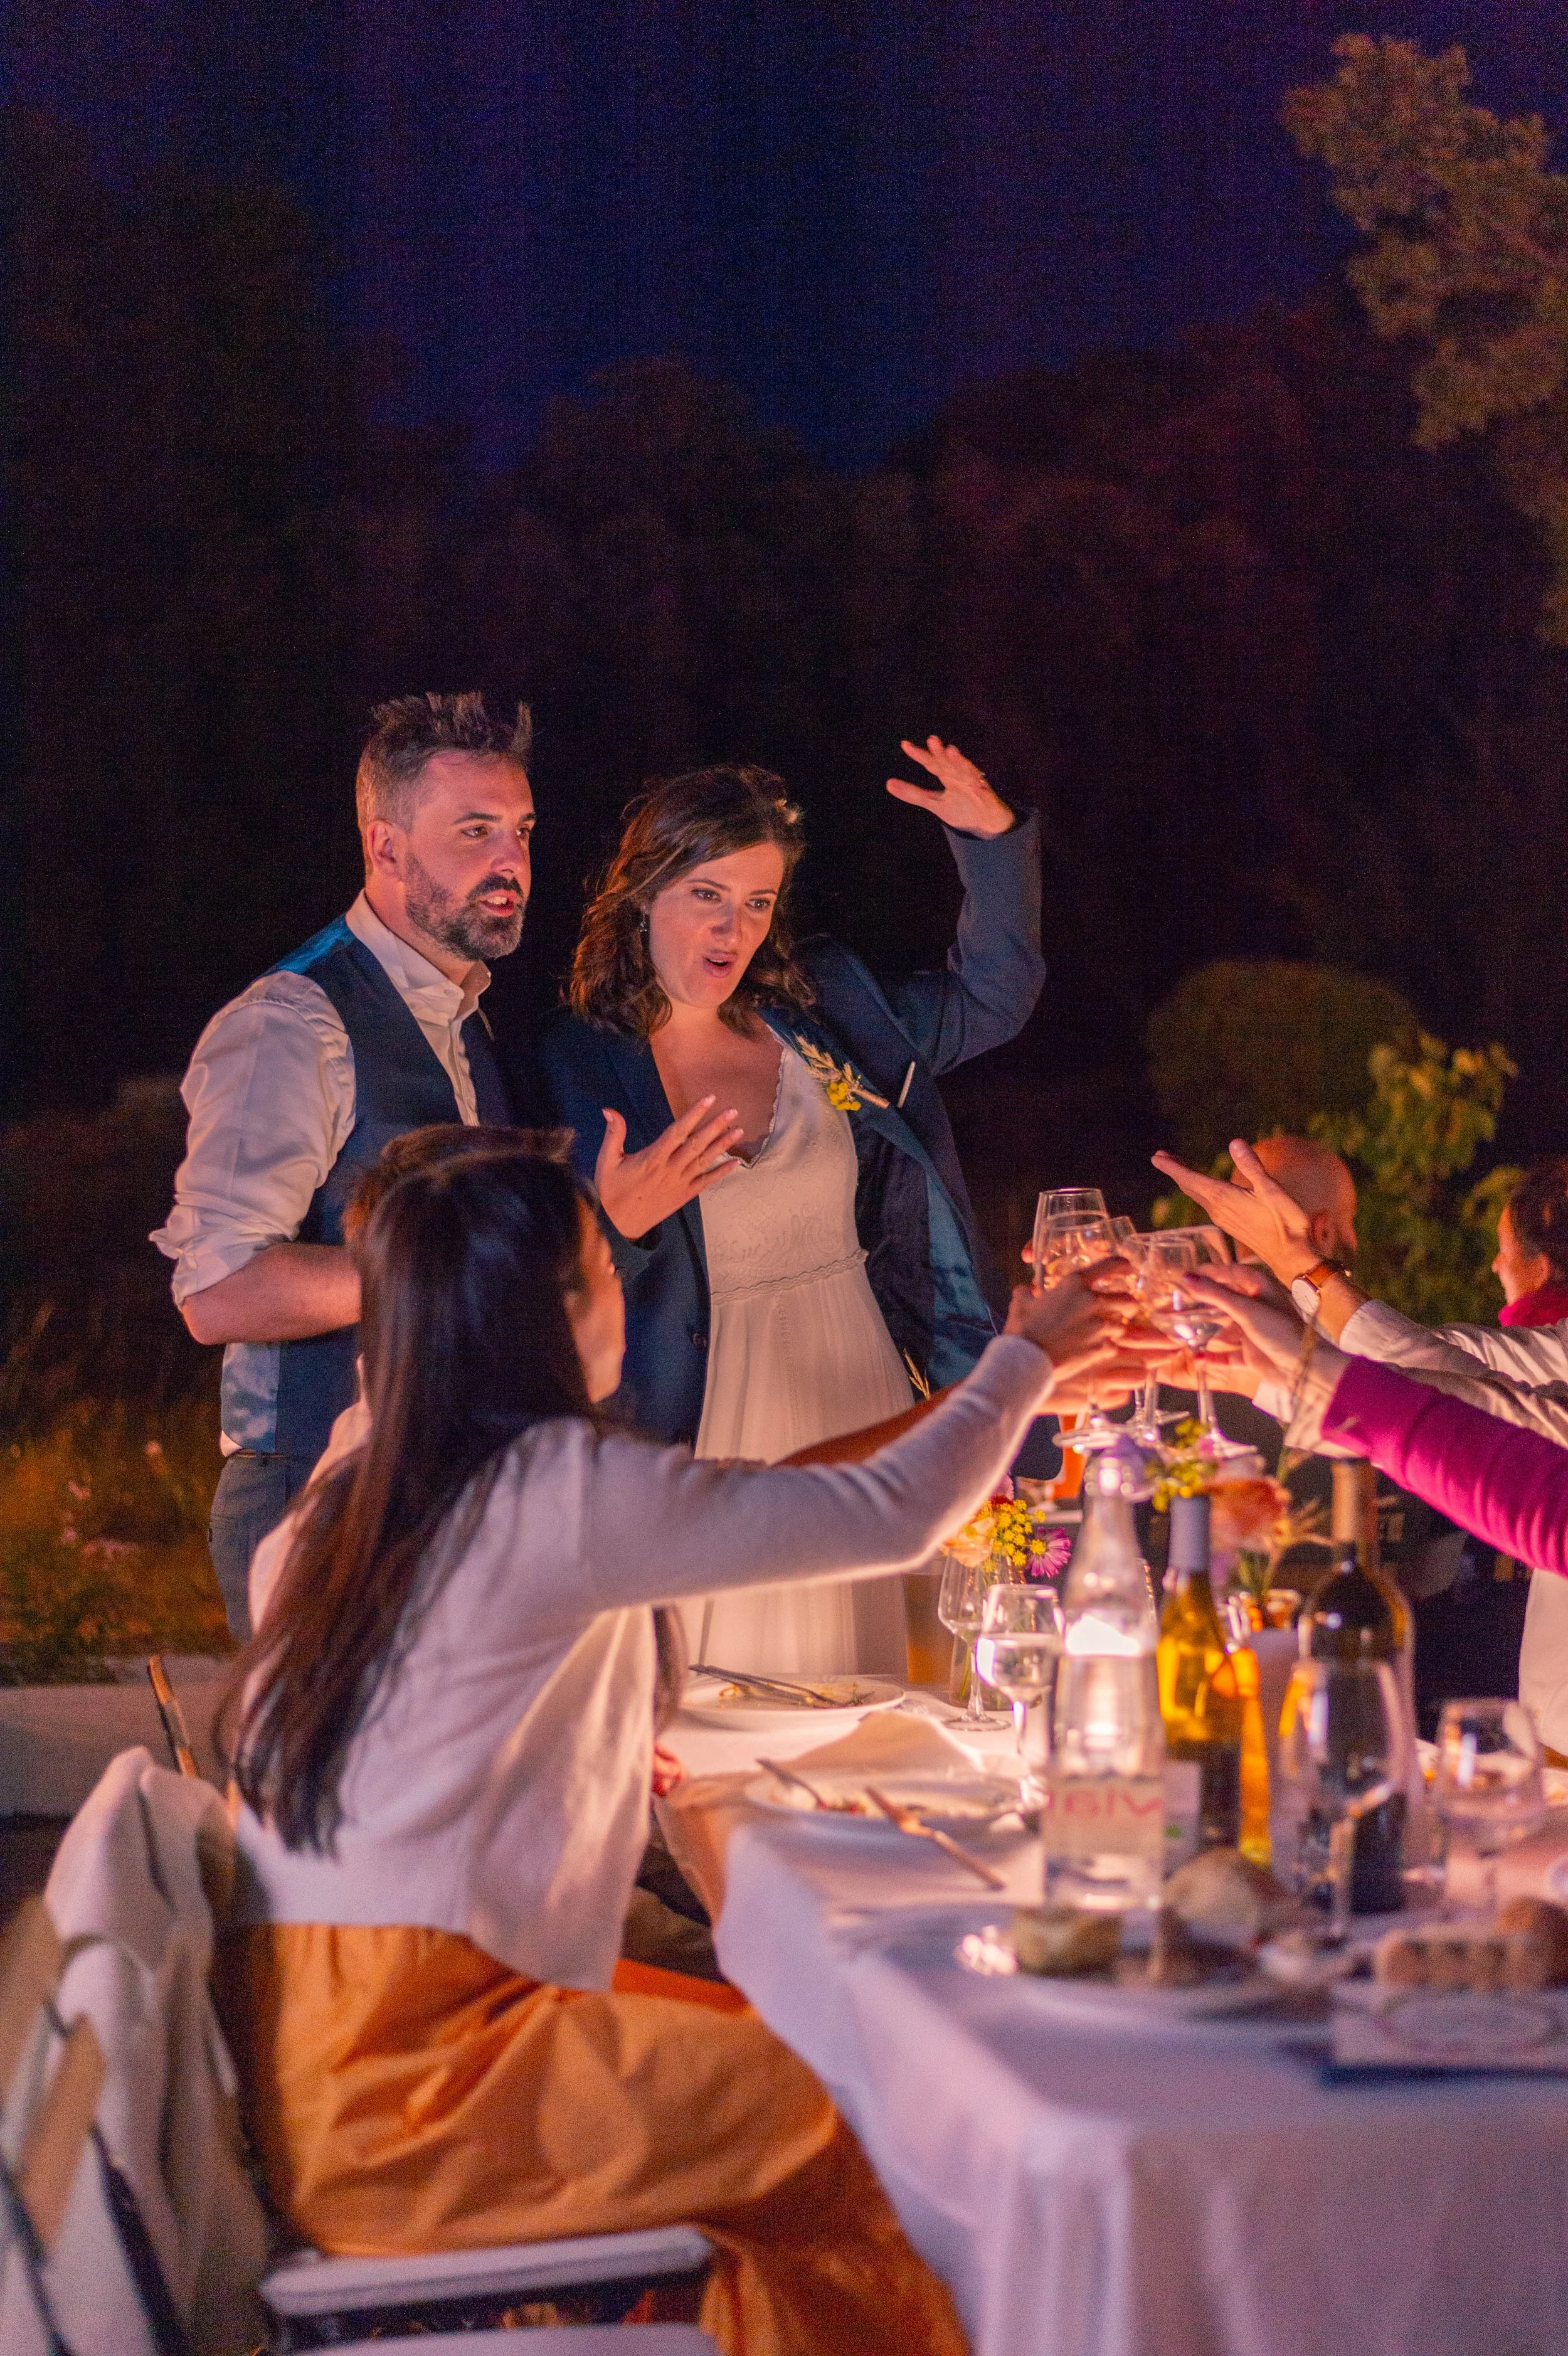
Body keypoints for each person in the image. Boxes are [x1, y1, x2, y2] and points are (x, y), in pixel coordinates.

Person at [214, 1142, 1128, 2355]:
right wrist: (1024, 1362)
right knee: (875, 2128)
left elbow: (441, 1703)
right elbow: (890, 1515)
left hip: (329, 2063)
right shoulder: (547, 1484)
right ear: (546, 1312)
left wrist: (566, 1753)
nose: (628, 1293)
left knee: (783, 2034)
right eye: (607, 1266)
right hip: (430, 2087)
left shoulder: (361, 1484)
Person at [542, 740, 1045, 1676]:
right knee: (730, 1701)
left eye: (757, 902)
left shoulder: (822, 1013)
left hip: (860, 1389)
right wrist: (615, 1221)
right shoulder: (579, 1061)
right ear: (645, 890)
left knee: (890, 1701)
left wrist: (993, 841)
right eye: (707, 894)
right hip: (712, 1421)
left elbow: (993, 997)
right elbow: (540, 1287)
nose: (732, 928)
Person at [152, 693, 542, 1640]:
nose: (511, 864)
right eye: (475, 832)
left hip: (448, 1490)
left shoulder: (465, 1021)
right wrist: (455, 1275)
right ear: (387, 847)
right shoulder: (291, 1022)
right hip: (316, 1505)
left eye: (523, 833)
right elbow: (220, 1290)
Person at [1154, 1140, 1568, 1745]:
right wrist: (1291, 1352)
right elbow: (1460, 1373)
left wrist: (1296, 1275)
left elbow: (1511, 1429)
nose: (1494, 1269)